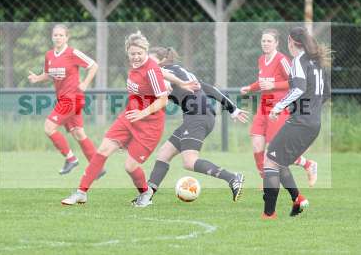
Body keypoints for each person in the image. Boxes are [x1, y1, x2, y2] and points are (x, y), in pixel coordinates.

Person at [61, 31, 170, 205]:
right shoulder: (134, 67)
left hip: (150, 126)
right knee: (103, 150)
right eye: (132, 54)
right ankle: (81, 192)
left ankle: (145, 193)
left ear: (146, 52)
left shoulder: (151, 69)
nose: (135, 57)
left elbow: (163, 100)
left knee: (130, 167)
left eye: (139, 53)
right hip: (128, 118)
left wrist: (142, 113)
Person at [132, 47, 249, 207]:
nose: (147, 64)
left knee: (189, 161)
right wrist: (232, 108)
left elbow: (166, 82)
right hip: (199, 116)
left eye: (150, 60)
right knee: (164, 153)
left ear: (160, 60)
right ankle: (147, 195)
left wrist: (164, 85)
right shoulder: (180, 71)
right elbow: (209, 89)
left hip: (197, 117)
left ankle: (232, 178)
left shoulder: (162, 71)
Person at [262, 26, 331, 219]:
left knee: (270, 160)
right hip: (313, 122)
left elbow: (299, 88)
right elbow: (326, 94)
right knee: (279, 160)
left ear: (291, 42)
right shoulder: (317, 62)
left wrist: (278, 107)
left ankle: (269, 215)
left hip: (301, 122)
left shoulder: (299, 60)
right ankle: (298, 199)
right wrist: (311, 109)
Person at [240, 28, 317, 186]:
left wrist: (273, 85)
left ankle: (308, 164)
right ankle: (266, 179)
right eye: (263, 41)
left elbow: (294, 83)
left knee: (276, 150)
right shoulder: (261, 59)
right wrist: (250, 87)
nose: (266, 43)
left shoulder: (282, 59)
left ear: (276, 43)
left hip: (279, 109)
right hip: (264, 107)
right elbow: (263, 81)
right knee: (256, 144)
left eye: (269, 41)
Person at [28, 24, 100, 175]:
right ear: (52, 37)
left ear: (67, 37)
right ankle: (97, 167)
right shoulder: (49, 55)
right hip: (63, 99)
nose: (58, 38)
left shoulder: (73, 53)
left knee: (49, 127)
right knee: (78, 133)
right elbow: (48, 74)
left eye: (61, 35)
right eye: (55, 35)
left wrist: (85, 83)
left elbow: (94, 66)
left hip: (73, 98)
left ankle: (71, 159)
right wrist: (37, 78)